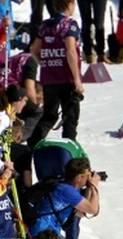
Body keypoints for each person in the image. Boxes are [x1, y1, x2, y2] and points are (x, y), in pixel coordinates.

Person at [27, 155, 98, 239]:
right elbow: (92, 209)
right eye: (87, 175)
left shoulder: (62, 186)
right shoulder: (67, 191)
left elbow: (81, 212)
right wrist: (94, 186)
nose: (89, 178)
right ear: (79, 177)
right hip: (44, 232)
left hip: (38, 230)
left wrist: (89, 188)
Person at [27, 0, 84, 144]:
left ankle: (32, 146)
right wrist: (77, 79)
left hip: (49, 79)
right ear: (70, 4)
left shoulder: (45, 25)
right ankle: (69, 152)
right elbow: (70, 50)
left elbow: (34, 49)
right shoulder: (69, 24)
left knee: (49, 117)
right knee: (70, 118)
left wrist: (45, 63)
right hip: (66, 79)